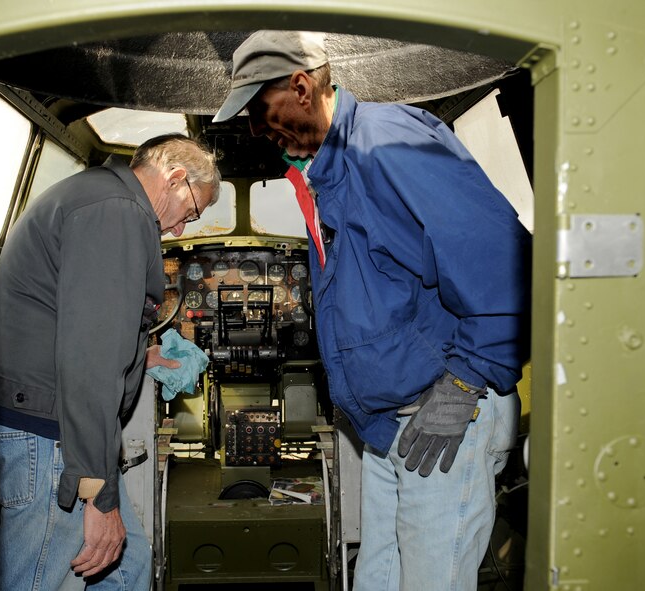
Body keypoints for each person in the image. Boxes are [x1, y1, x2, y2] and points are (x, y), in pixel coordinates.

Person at [214, 31, 531, 590]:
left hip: (446, 412)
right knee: (378, 577)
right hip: (388, 424)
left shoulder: (386, 142)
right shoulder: (327, 170)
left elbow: (497, 255)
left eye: (260, 110)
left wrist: (463, 382)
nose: (256, 130)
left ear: (301, 86)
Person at [0, 133, 220, 590]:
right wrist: (96, 492)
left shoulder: (98, 197)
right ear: (175, 179)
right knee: (41, 581)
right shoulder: (118, 213)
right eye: (191, 212)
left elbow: (81, 327)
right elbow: (89, 362)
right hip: (52, 435)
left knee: (128, 567)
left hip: (54, 424)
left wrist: (141, 355)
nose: (180, 230)